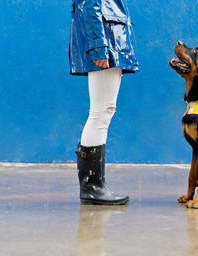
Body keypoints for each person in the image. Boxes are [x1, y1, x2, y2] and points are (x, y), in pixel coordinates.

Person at [69, 0, 139, 205]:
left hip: (112, 42)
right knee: (101, 112)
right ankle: (92, 187)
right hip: (107, 43)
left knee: (103, 111)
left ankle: (94, 186)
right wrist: (98, 47)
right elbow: (89, 5)